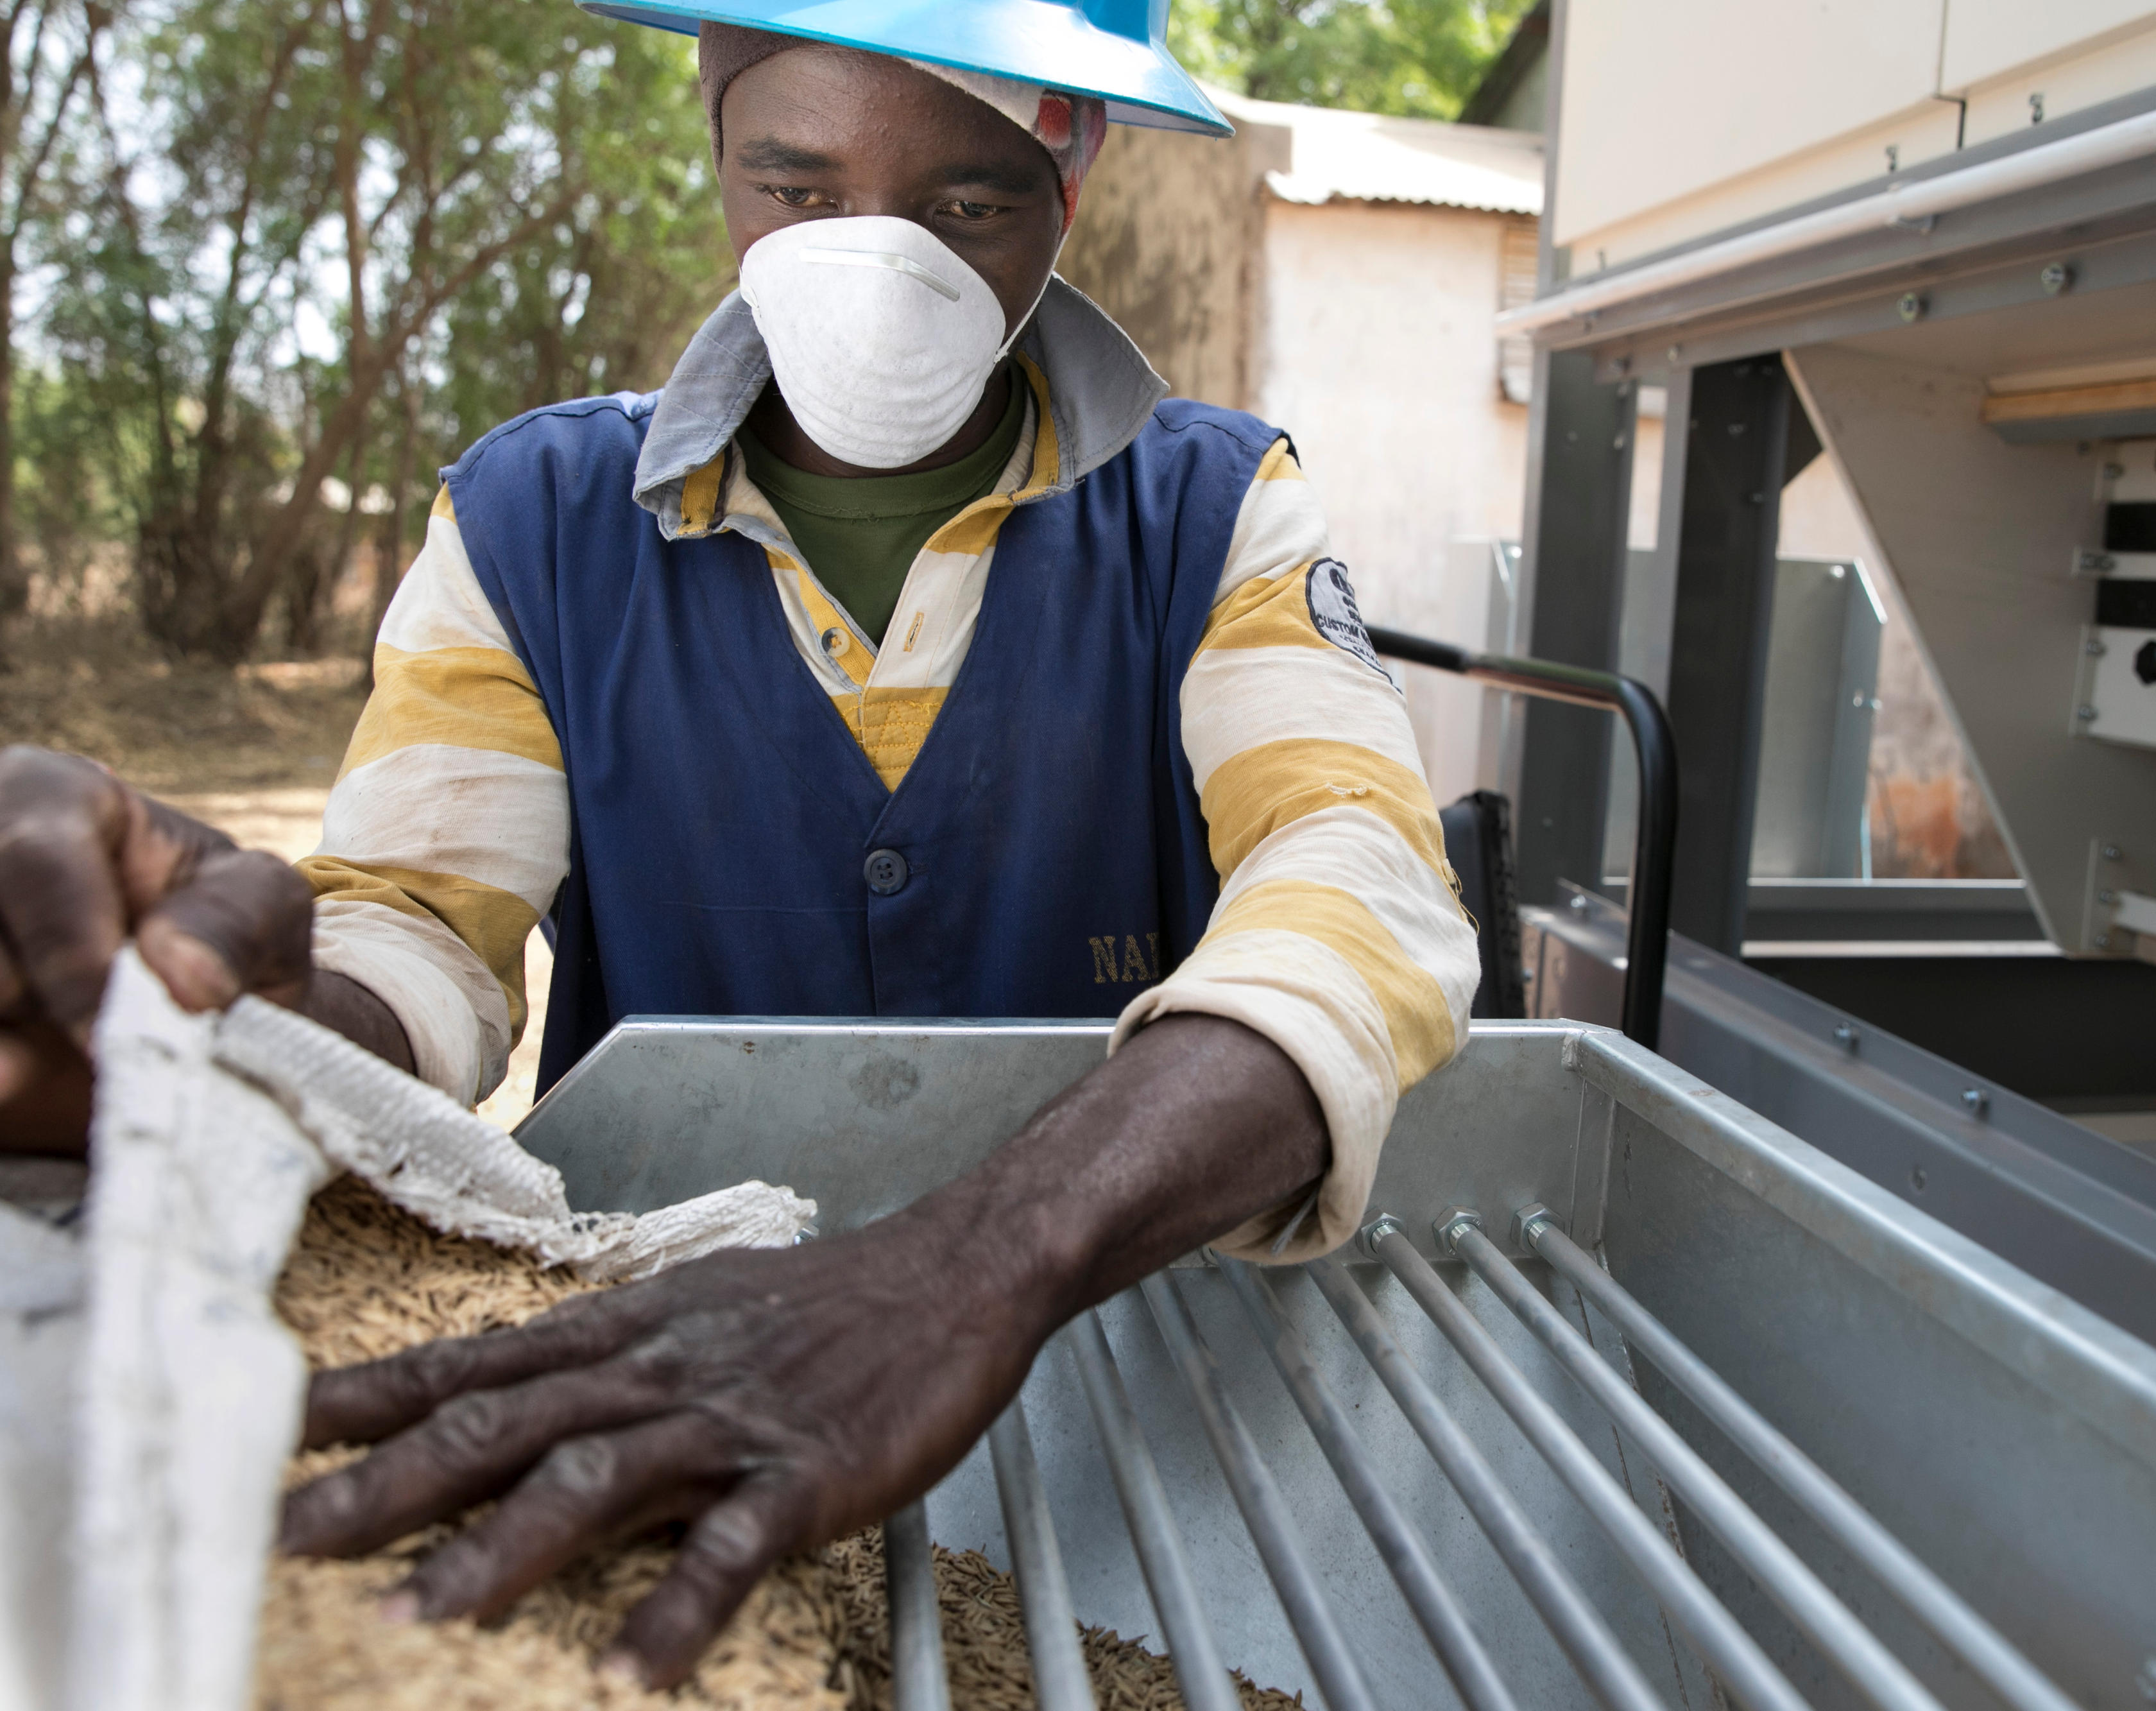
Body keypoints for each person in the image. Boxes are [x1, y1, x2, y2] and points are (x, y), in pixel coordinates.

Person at [0, 0, 1478, 1687]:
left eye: (965, 205)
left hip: (1121, 1354)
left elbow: (1358, 883)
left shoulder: (1216, 513)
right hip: (658, 1367)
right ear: (716, 151)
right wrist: (239, 1025)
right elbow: (420, 932)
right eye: (794, 187)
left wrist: (973, 1270)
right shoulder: (527, 523)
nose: (870, 263)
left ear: (1073, 170)